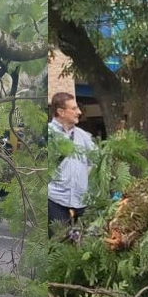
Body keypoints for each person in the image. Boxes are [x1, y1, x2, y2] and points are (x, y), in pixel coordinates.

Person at [48, 92, 94, 236]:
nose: (79, 112)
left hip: (82, 201)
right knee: (60, 243)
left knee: (85, 244)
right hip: (55, 199)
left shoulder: (83, 136)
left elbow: (96, 161)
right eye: (74, 109)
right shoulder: (47, 134)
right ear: (61, 112)